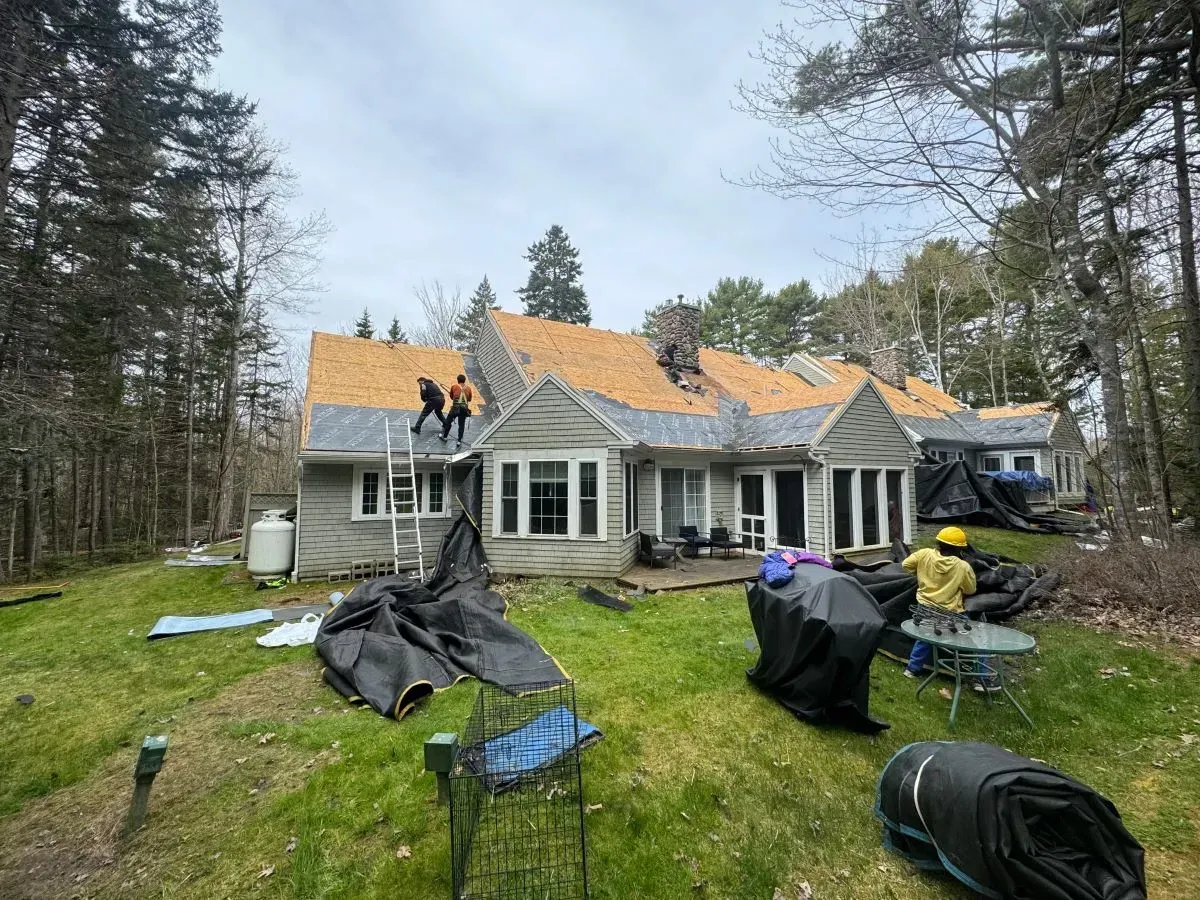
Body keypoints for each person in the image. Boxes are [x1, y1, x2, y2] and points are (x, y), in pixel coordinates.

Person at [902, 526, 977, 679]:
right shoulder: (963, 567)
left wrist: (921, 574)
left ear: (939, 543)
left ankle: (912, 669)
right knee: (975, 639)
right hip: (951, 612)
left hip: (925, 607)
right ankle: (981, 678)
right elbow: (970, 590)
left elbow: (905, 565)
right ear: (959, 548)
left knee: (925, 636)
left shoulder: (924, 554)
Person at [439, 374, 473, 446]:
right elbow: (469, 399)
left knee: (448, 422)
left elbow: (452, 397)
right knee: (461, 425)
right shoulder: (468, 388)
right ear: (464, 380)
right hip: (464, 409)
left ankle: (445, 437)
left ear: (458, 380)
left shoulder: (454, 386)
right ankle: (459, 441)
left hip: (455, 408)